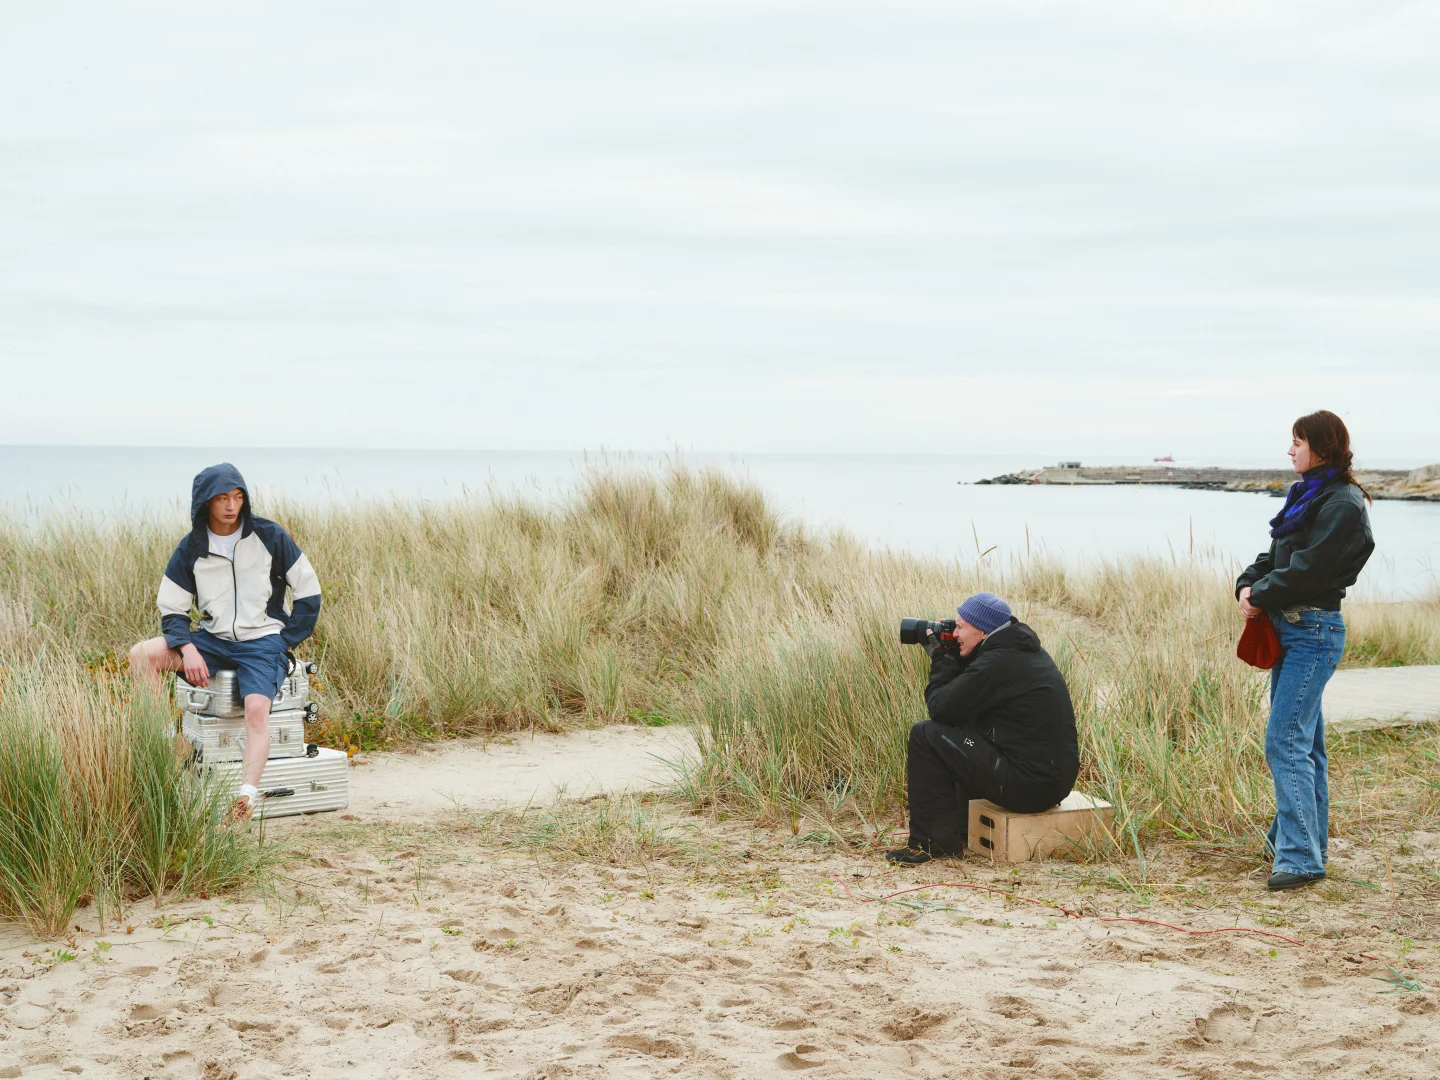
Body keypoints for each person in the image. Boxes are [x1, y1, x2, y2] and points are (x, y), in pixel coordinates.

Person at [129, 463, 322, 823]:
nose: (231, 506)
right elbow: (172, 608)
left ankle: (245, 798)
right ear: (206, 502)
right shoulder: (191, 548)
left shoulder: (269, 535)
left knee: (256, 710)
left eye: (237, 497)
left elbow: (309, 589)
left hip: (262, 640)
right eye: (222, 498)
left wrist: (285, 639)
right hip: (212, 640)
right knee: (141, 656)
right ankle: (174, 744)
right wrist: (187, 648)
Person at [1236, 410, 1373, 891]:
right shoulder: (1309, 495)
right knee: (1304, 743)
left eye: (1297, 442)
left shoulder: (1344, 503)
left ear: (1321, 447)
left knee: (1285, 741)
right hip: (1292, 629)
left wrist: (1262, 593)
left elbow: (1311, 569)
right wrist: (1247, 584)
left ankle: (1300, 859)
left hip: (1313, 630)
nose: (1290, 450)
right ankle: (1296, 846)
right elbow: (1276, 555)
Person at [886, 592, 1080, 865]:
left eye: (960, 627)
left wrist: (941, 659)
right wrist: (956, 657)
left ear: (983, 630)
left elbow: (941, 708)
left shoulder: (998, 663)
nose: (954, 634)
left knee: (926, 735)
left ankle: (932, 844)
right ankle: (962, 829)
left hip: (1029, 786)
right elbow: (961, 706)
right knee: (961, 731)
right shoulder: (1018, 652)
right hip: (1048, 783)